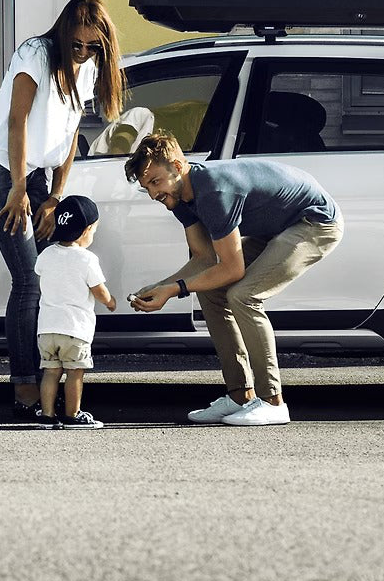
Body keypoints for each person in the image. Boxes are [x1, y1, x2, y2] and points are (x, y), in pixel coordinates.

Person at [0, 0, 124, 420]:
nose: (84, 52)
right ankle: (25, 390)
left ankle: (49, 385)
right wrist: (19, 188)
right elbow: (18, 120)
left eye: (94, 47)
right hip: (0, 173)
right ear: (64, 32)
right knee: (29, 279)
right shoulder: (35, 53)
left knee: (53, 271)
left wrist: (56, 194)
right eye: (78, 44)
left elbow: (72, 132)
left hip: (35, 176)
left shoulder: (89, 69)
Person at [127, 132, 342, 427]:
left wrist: (174, 289)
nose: (153, 194)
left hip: (314, 221)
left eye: (155, 182)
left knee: (244, 295)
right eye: (147, 187)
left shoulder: (214, 192)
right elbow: (204, 260)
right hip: (277, 225)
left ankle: (273, 402)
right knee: (210, 291)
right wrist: (161, 286)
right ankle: (241, 395)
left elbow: (232, 270)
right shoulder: (179, 199)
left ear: (177, 166)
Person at [34, 194, 116, 429]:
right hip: (75, 330)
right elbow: (99, 291)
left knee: (50, 372)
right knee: (74, 373)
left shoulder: (46, 254)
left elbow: (40, 273)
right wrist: (111, 302)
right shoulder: (87, 259)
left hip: (47, 329)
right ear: (86, 230)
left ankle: (47, 415)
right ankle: (72, 414)